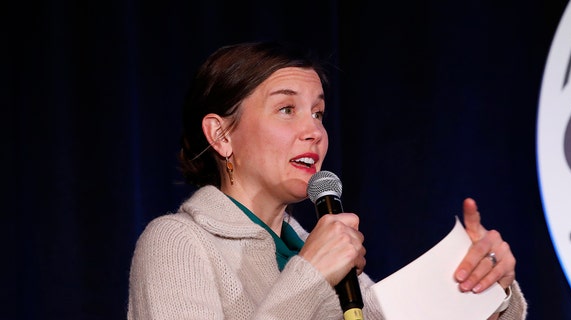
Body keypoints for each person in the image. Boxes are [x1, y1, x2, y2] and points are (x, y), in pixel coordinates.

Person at [127, 41, 528, 319]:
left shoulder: (321, 252)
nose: (314, 132)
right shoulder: (177, 242)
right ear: (221, 135)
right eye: (286, 109)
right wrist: (311, 275)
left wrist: (485, 289)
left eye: (317, 113)